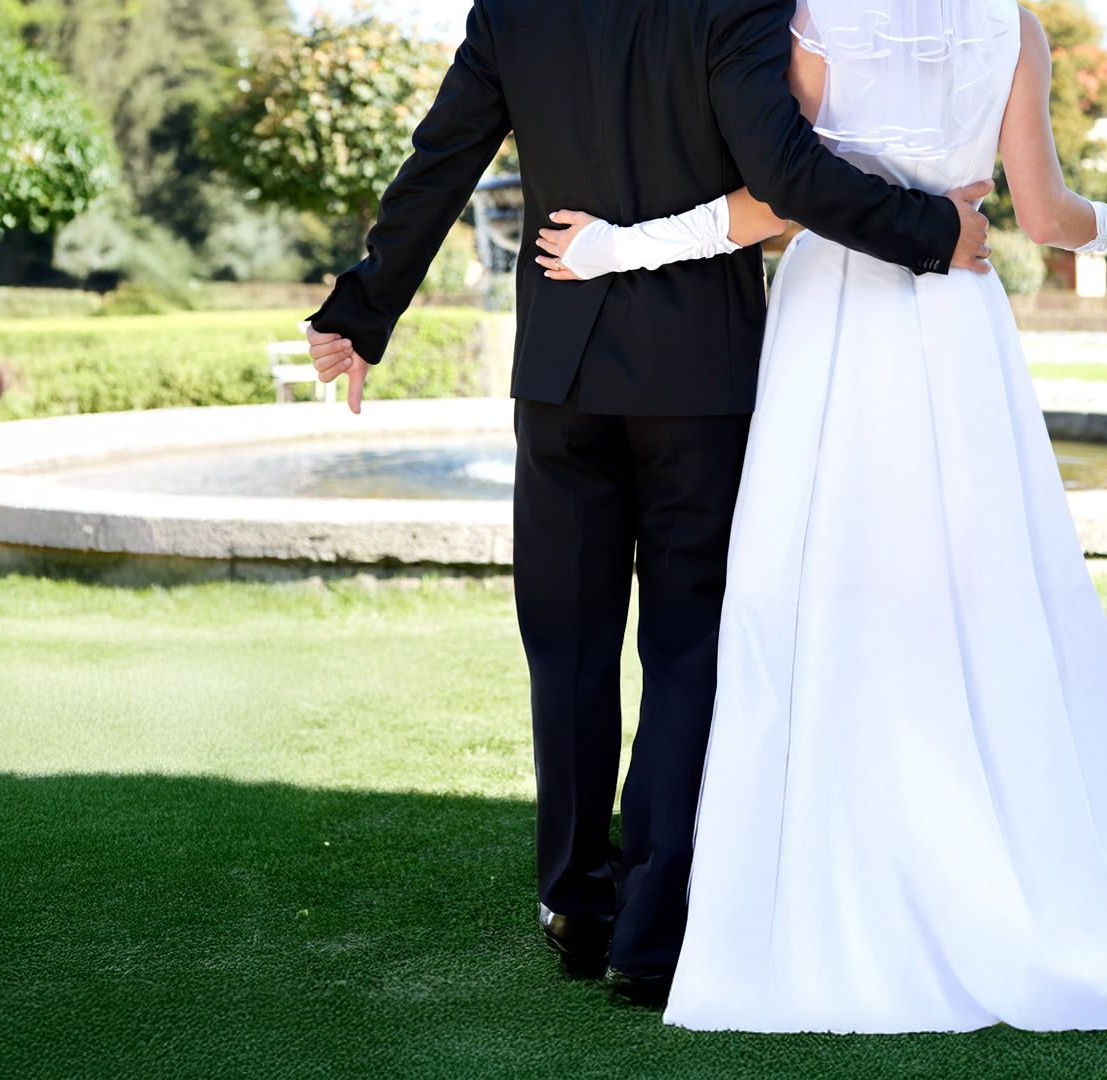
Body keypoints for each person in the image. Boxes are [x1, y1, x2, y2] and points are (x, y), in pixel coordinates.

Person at [533, 0, 1107, 1031]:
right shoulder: (1015, 28)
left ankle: (809, 852)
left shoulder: (806, 23)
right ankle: (1002, 832)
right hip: (958, 318)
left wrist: (618, 250)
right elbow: (1042, 217)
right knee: (977, 585)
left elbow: (779, 201)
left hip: (836, 321)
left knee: (807, 587)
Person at [304, 0, 993, 1001]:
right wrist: (937, 228)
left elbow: (443, 156)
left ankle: (577, 905)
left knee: (570, 647)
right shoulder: (741, 5)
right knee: (687, 650)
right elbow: (789, 175)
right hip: (701, 384)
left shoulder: (514, 10)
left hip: (561, 375)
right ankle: (654, 928)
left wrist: (363, 310)